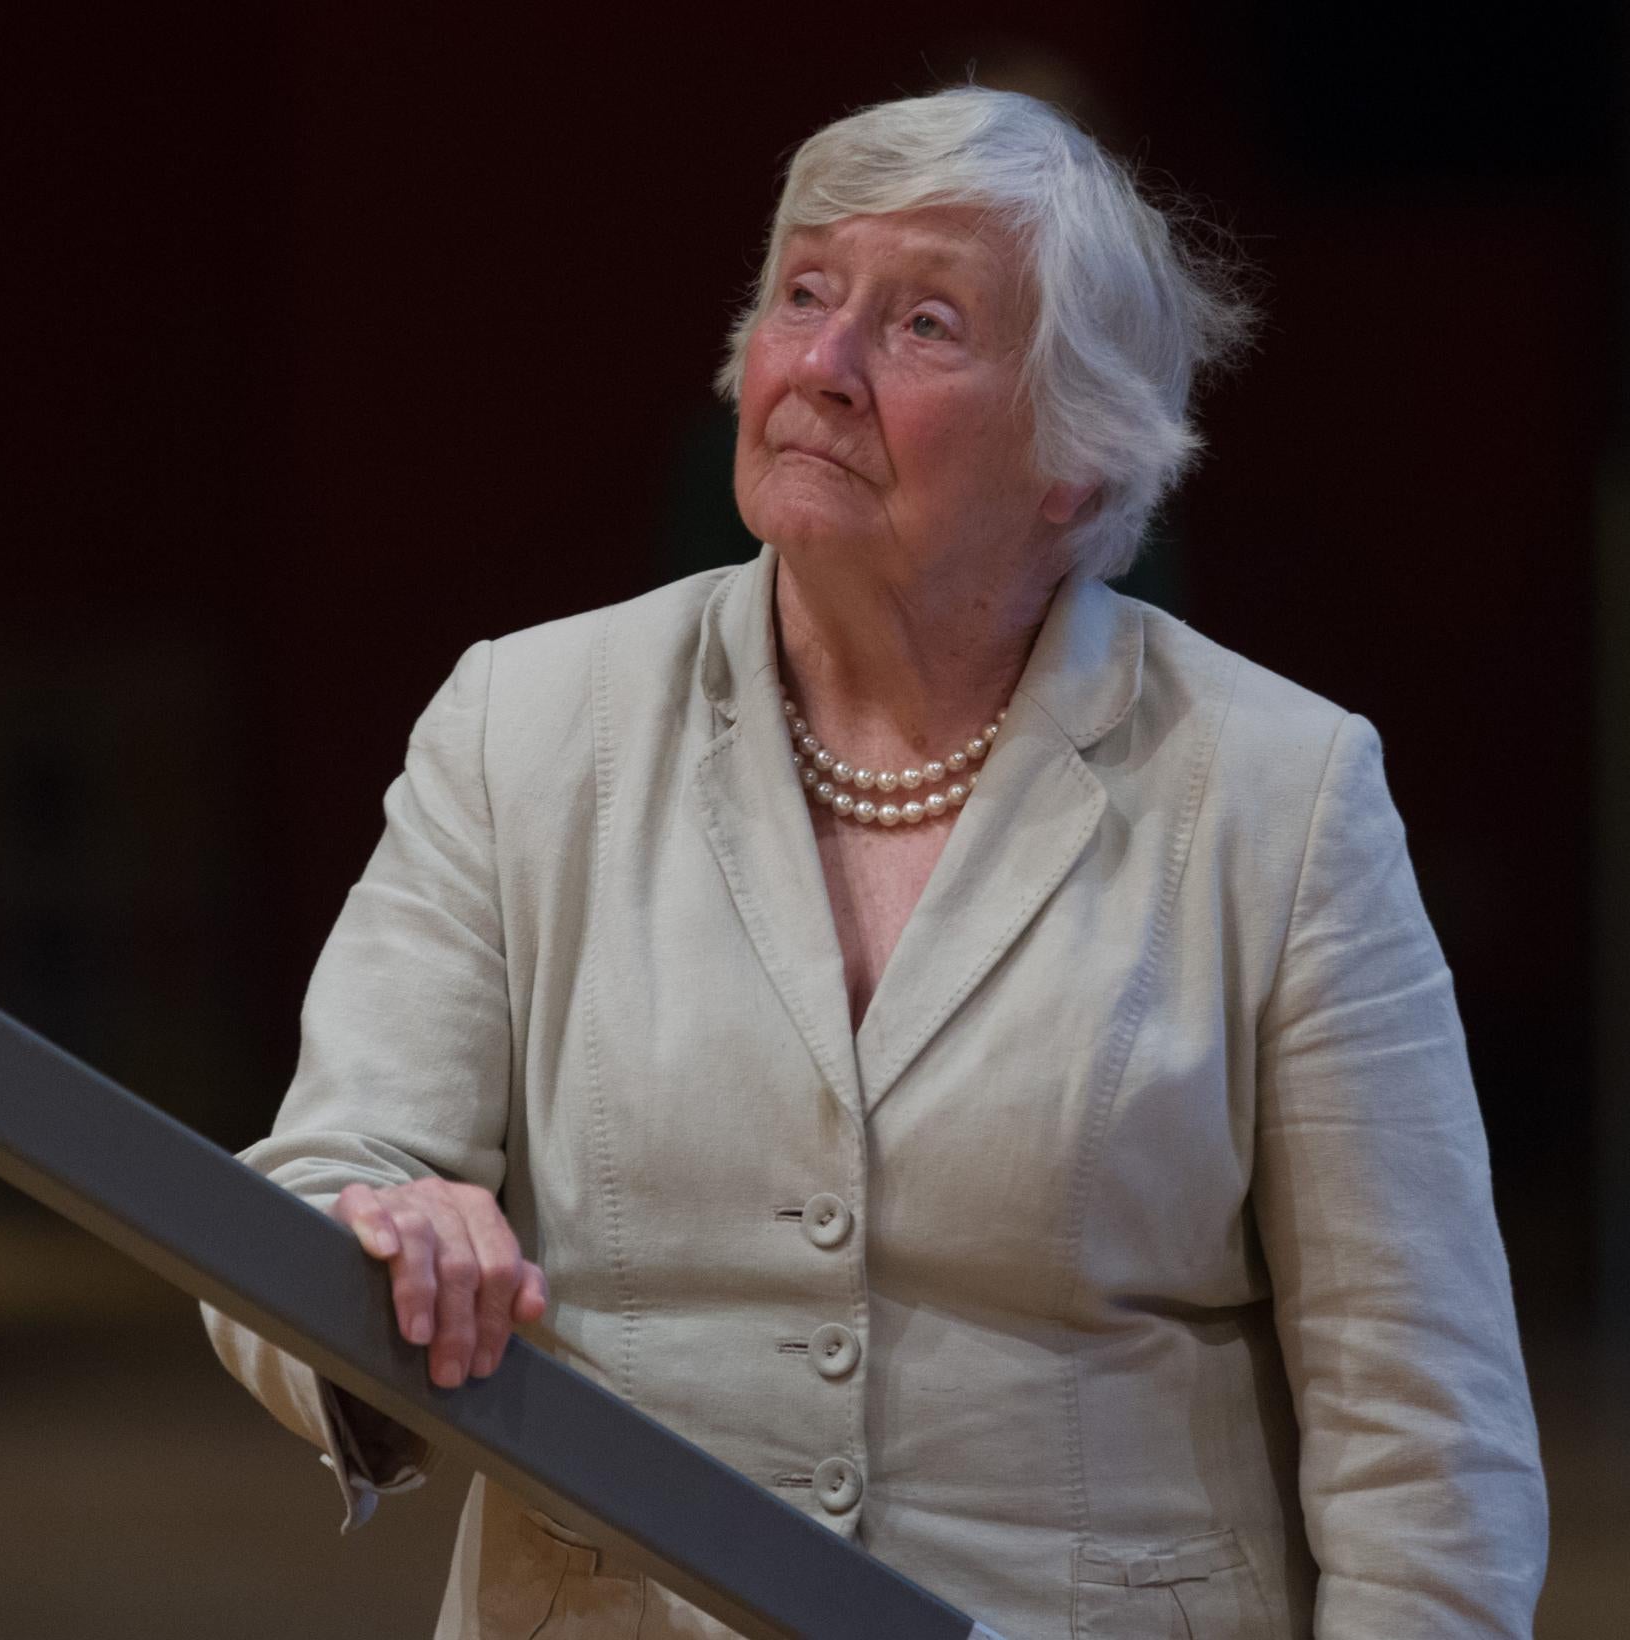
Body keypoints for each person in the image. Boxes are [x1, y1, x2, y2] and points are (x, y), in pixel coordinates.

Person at [201, 85, 1549, 1639]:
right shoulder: (525, 725)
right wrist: (380, 1259)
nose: (823, 367)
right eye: (804, 294)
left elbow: (1423, 1434)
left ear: (1078, 458)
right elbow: (309, 1202)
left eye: (922, 325)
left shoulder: (1279, 794)